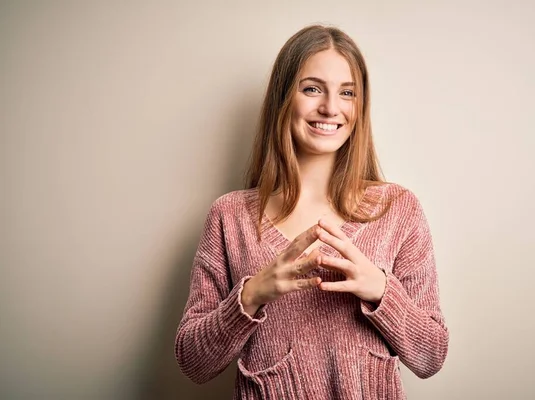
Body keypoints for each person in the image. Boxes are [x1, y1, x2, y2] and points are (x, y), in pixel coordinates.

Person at [175, 24, 449, 399]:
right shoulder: (230, 216)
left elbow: (431, 356)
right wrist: (252, 295)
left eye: (347, 93)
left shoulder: (398, 210)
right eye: (312, 88)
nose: (331, 108)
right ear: (283, 98)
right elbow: (193, 363)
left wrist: (383, 291)